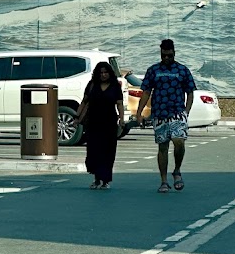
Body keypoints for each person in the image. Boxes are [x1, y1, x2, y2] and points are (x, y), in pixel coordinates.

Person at [135, 38, 196, 193]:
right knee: (163, 147)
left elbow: (190, 92)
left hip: (177, 113)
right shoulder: (153, 70)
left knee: (179, 142)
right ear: (160, 54)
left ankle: (177, 170)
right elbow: (146, 92)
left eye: (169, 55)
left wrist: (186, 111)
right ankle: (164, 181)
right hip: (159, 114)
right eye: (164, 55)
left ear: (174, 53)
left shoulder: (182, 70)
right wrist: (139, 113)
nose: (166, 58)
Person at [76, 61, 125, 189]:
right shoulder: (92, 85)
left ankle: (106, 180)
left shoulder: (115, 86)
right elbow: (84, 102)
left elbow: (119, 104)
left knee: (108, 151)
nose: (103, 75)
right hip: (93, 122)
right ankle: (97, 178)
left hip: (109, 123)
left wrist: (121, 119)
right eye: (101, 73)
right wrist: (77, 117)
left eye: (106, 72)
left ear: (110, 73)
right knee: (94, 151)